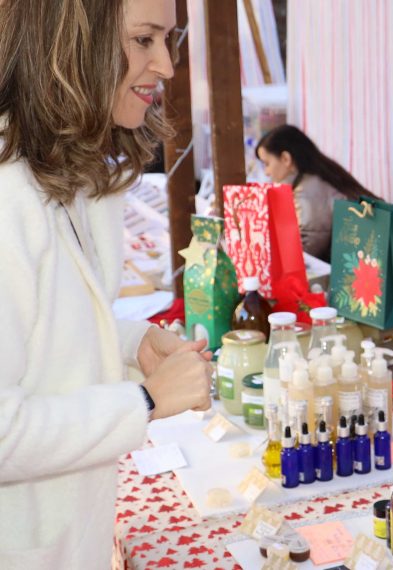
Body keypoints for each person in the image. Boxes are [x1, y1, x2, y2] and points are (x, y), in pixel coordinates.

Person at [0, 1, 213, 568]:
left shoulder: (68, 169)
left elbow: (41, 337)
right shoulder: (6, 197)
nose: (166, 65)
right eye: (144, 40)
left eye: (168, 40)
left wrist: (129, 346)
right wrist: (143, 401)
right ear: (71, 41)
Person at [256, 125, 379, 261]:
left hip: (368, 262)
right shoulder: (319, 177)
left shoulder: (309, 190)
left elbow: (307, 249)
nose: (266, 172)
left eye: (266, 164)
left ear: (286, 158)